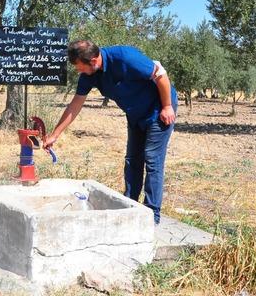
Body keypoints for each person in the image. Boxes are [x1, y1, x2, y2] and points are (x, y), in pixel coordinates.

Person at [43, 40, 178, 223]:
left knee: (152, 159)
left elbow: (160, 74)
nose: (78, 71)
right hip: (135, 114)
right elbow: (75, 105)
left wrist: (167, 106)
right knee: (132, 160)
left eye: (79, 67)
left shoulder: (125, 57)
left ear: (93, 60)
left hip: (159, 110)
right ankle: (129, 206)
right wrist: (55, 135)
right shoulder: (89, 75)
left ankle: (151, 215)